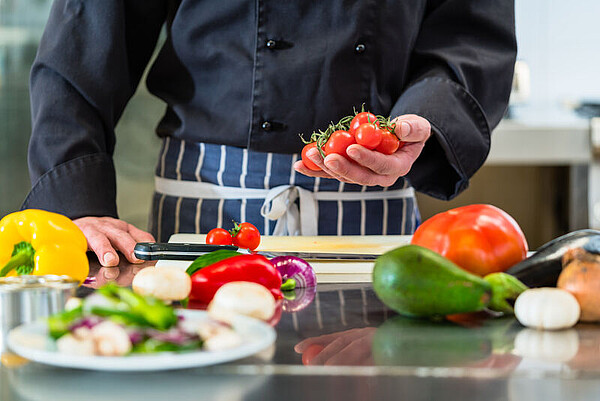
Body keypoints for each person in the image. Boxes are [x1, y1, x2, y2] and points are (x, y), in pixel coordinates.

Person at [22, 0, 517, 266]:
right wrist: (77, 200)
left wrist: (421, 123)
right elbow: (85, 38)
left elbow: (469, 36)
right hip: (206, 208)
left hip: (374, 206)